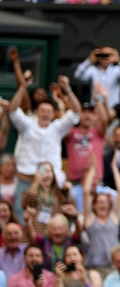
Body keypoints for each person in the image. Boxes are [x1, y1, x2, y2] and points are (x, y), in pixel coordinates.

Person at [8, 75, 80, 218]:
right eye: (43, 111)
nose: (46, 113)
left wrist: (67, 89)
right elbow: (13, 110)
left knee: (49, 224)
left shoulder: (57, 127)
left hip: (50, 186)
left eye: (49, 111)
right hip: (25, 182)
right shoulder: (27, 125)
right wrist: (23, 86)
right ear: (37, 113)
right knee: (22, 220)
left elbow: (76, 112)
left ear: (53, 114)